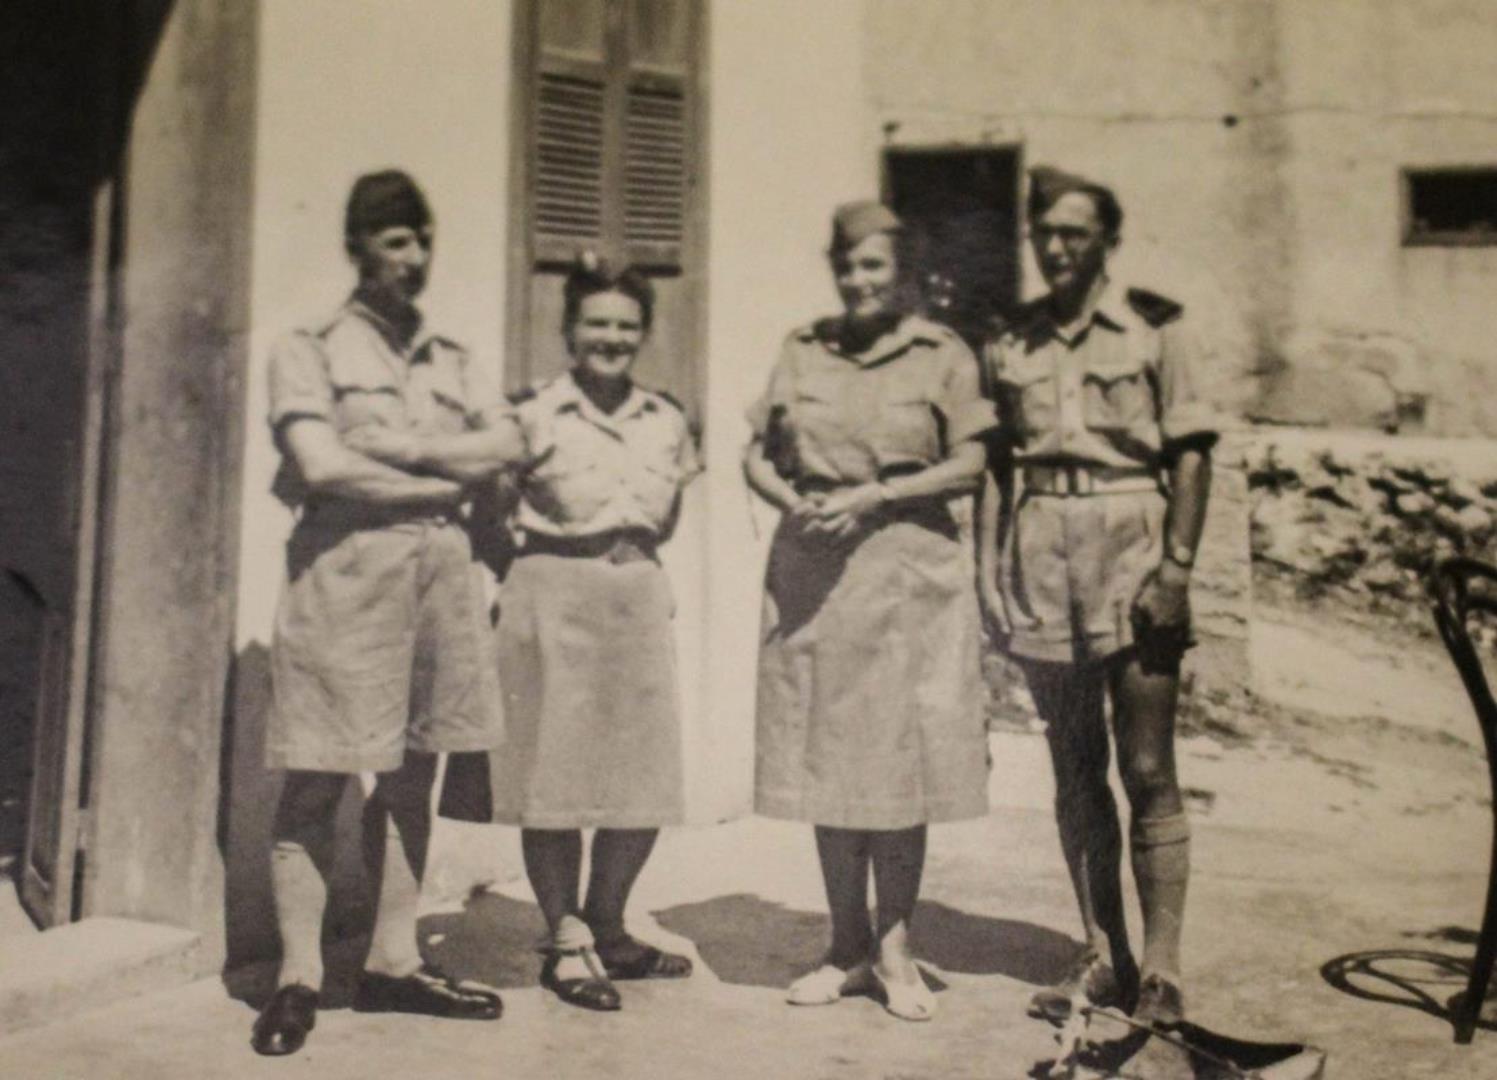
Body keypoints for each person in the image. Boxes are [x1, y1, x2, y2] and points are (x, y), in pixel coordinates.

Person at [252, 170, 525, 1056]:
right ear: (358, 247)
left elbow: (509, 442)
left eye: (423, 240)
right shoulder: (309, 348)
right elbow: (322, 465)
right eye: (396, 240)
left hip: (440, 578)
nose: (414, 257)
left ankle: (392, 961)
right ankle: (298, 978)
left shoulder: (452, 355)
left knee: (413, 775)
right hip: (344, 578)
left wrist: (399, 447)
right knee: (316, 777)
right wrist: (448, 474)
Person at [978, 166, 1218, 1074]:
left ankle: (1161, 971)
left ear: (1106, 241)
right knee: (1074, 767)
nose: (1056, 247)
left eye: (1074, 233)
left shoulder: (1156, 328)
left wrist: (1176, 568)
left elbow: (1191, 456)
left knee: (1147, 766)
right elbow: (996, 465)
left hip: (1132, 546)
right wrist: (988, 573)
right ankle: (1100, 952)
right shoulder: (1010, 338)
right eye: (1044, 233)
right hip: (1044, 550)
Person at [744, 201, 995, 1022]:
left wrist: (876, 495)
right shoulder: (802, 349)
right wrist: (790, 499)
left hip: (905, 574)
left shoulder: (941, 355)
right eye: (847, 266)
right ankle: (844, 945)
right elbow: (756, 452)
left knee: (896, 765)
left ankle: (894, 948)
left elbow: (969, 463)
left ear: (904, 274)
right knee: (830, 759)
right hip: (815, 573)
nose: (857, 281)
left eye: (873, 266)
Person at [486, 255, 701, 1012]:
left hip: (635, 597)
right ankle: (565, 939)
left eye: (626, 325)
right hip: (553, 597)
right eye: (596, 323)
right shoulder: (532, 415)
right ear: (569, 331)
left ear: (643, 333)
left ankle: (609, 926)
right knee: (554, 778)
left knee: (641, 779)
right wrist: (531, 582)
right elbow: (489, 512)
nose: (611, 337)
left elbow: (667, 516)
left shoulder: (666, 418)